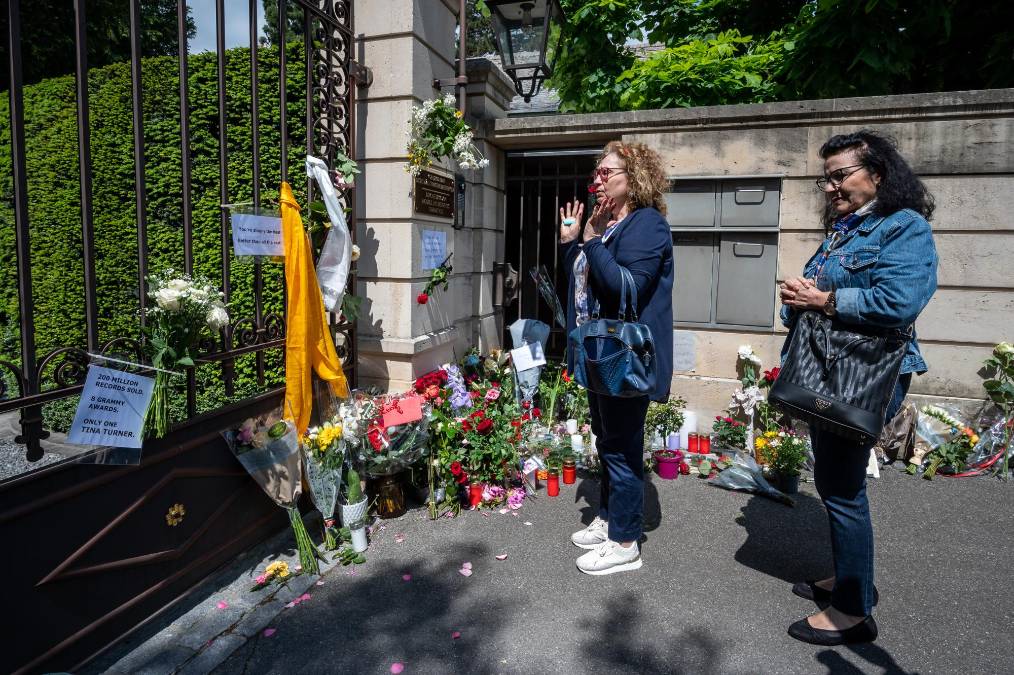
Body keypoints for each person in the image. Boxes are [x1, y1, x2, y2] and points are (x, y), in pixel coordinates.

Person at [779, 129, 938, 645]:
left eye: (840, 176)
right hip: (832, 370)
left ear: (878, 174)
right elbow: (819, 295)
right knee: (833, 482)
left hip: (866, 376)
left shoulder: (904, 227)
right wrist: (800, 297)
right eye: (826, 179)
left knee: (843, 489)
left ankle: (853, 612)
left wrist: (824, 301)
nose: (831, 187)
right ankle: (851, 579)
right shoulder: (846, 229)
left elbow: (899, 302)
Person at [559, 141, 674, 575]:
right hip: (602, 351)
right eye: (598, 172)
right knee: (607, 441)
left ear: (635, 177)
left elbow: (626, 287)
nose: (598, 179)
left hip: (626, 356)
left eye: (607, 172)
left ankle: (625, 543)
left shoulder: (647, 224)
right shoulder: (608, 225)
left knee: (623, 448)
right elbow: (586, 284)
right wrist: (572, 243)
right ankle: (610, 518)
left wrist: (590, 240)